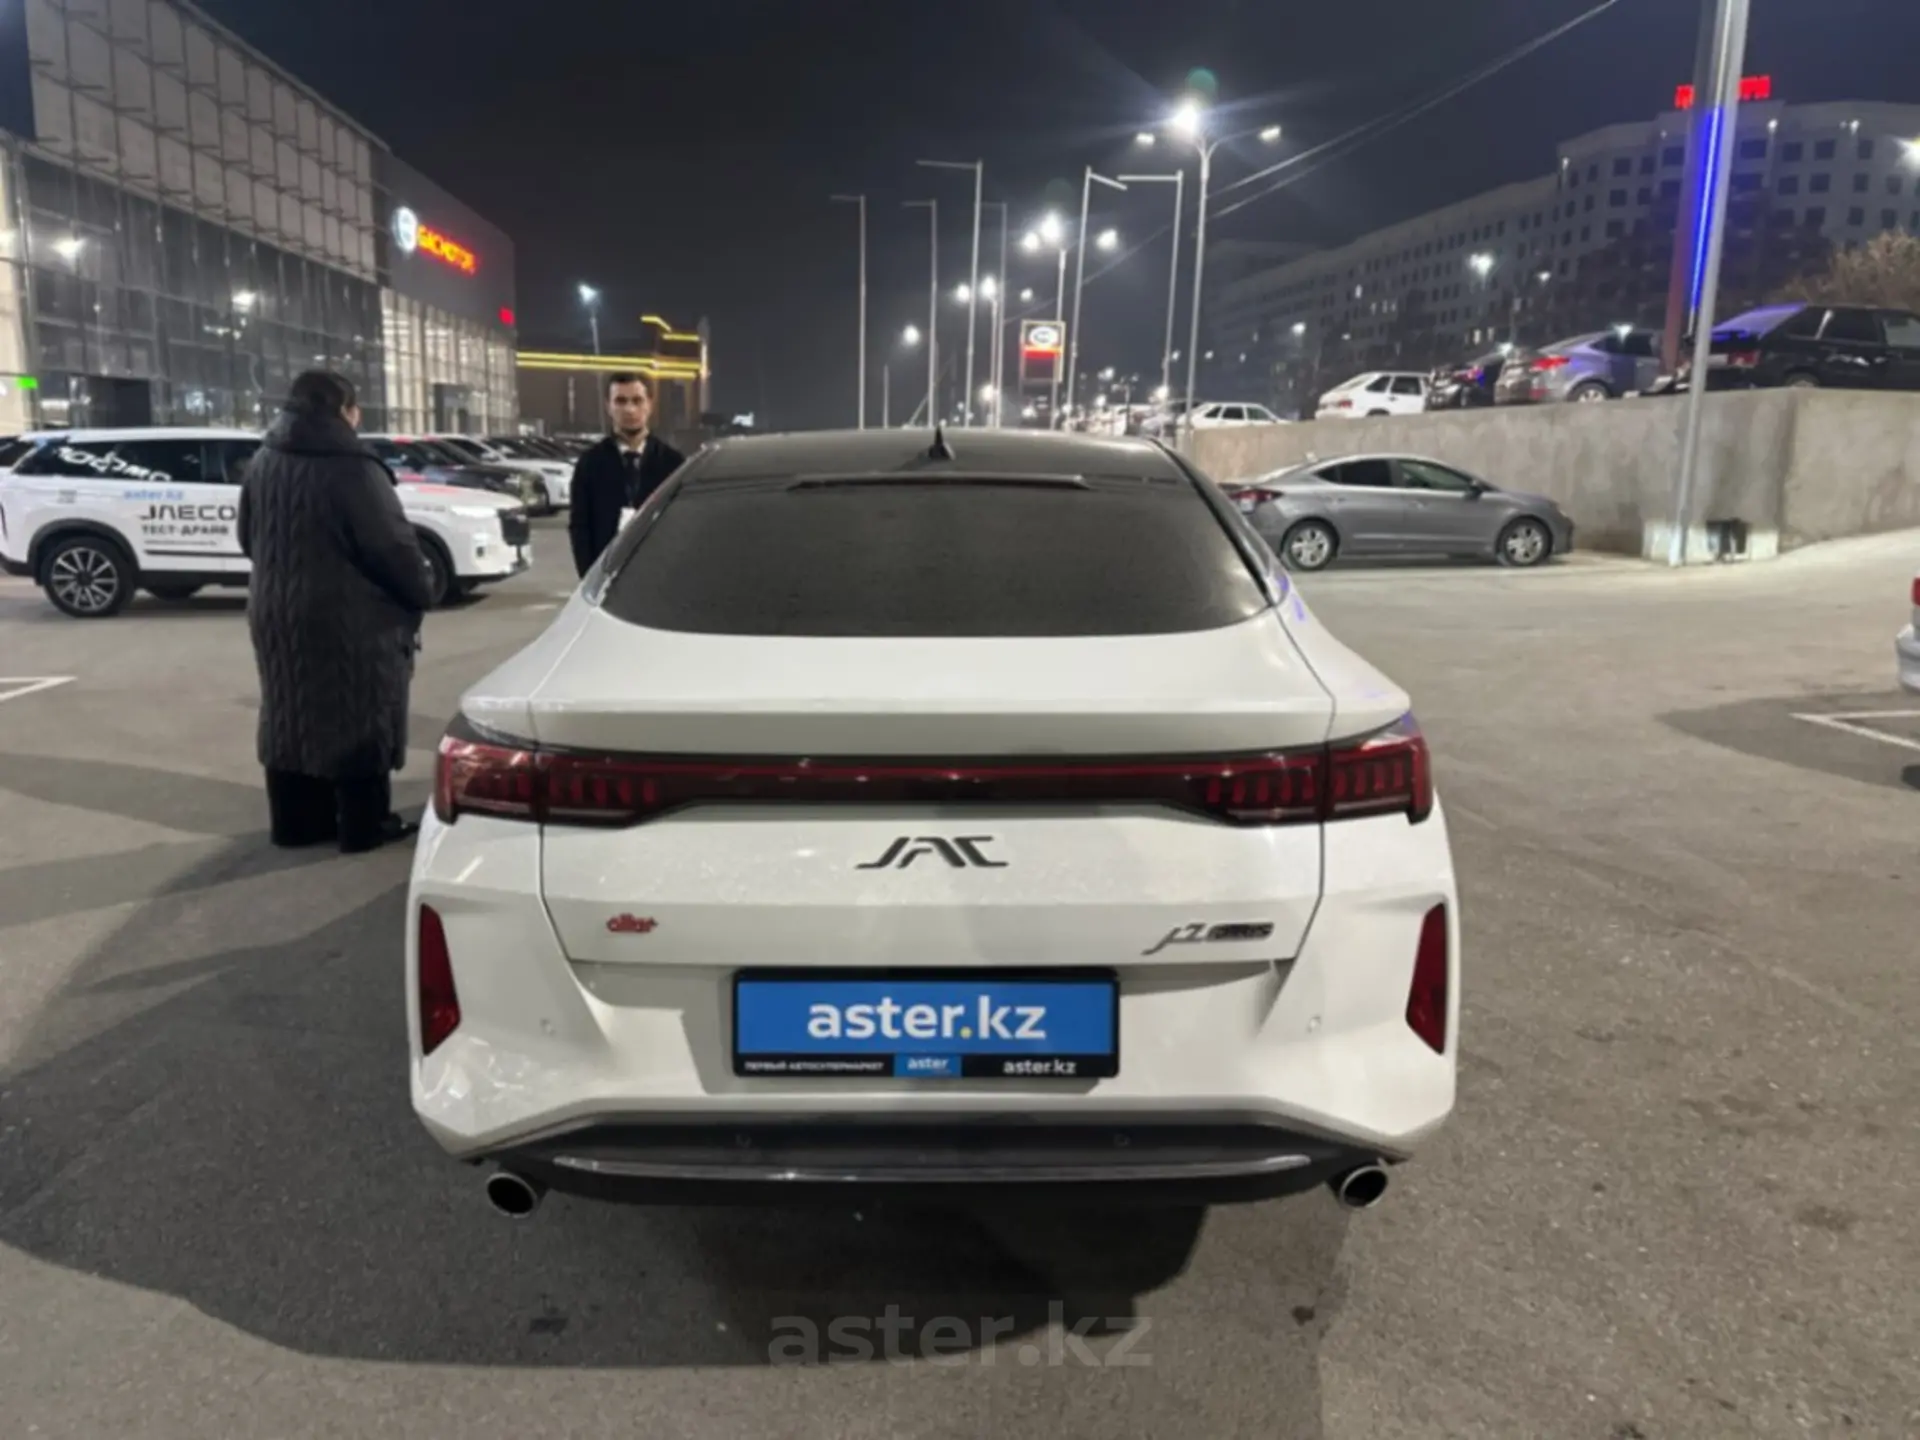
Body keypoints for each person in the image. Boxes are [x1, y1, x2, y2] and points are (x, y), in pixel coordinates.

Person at [238, 370, 433, 853]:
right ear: (346, 411)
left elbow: (248, 536)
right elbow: (391, 548)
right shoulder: (354, 469)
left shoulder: (264, 460)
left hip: (275, 611)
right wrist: (420, 592)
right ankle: (363, 826)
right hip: (352, 620)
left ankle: (297, 824)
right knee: (359, 711)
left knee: (288, 711)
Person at [567, 372, 686, 577]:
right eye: (620, 401)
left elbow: (681, 525)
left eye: (637, 401)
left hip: (659, 573)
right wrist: (590, 577)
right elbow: (580, 526)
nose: (629, 409)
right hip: (605, 574)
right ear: (608, 406)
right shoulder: (590, 463)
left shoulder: (673, 463)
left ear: (650, 405)